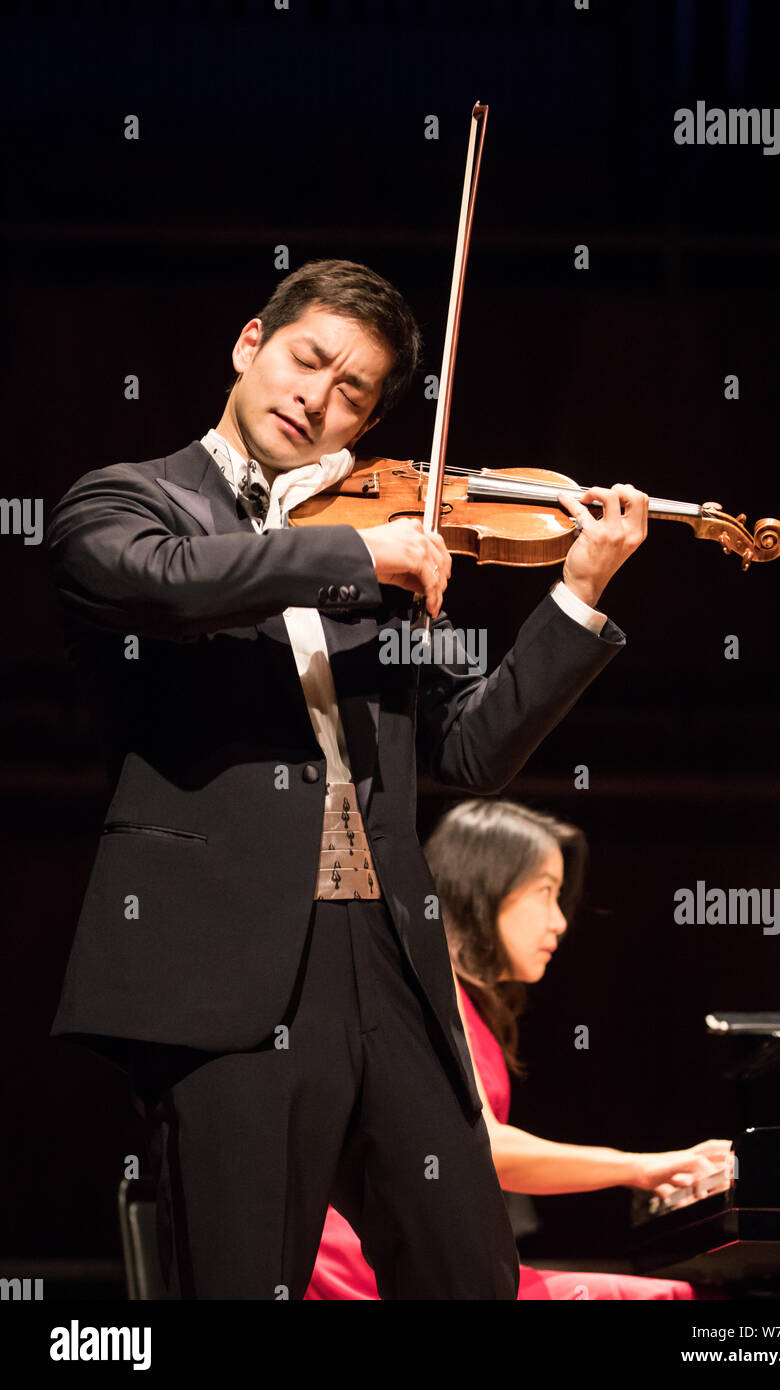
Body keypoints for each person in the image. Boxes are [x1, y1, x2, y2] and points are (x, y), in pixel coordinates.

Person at [46, 257, 650, 1299]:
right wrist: (357, 558)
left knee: (471, 1276)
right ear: (250, 345)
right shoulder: (134, 502)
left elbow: (464, 751)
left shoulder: (372, 536)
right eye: (304, 360)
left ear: (363, 426)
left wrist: (576, 599)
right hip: (228, 964)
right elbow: (165, 583)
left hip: (387, 956)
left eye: (351, 393)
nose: (314, 398)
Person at [305, 797, 732, 1300]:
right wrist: (641, 1167)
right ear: (483, 887)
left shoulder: (455, 994)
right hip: (360, 1264)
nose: (560, 922)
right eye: (545, 893)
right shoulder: (424, 983)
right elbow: (485, 1148)